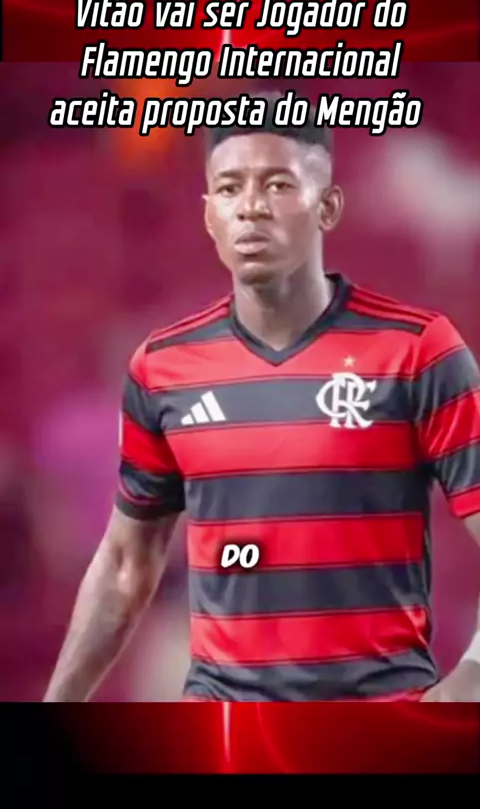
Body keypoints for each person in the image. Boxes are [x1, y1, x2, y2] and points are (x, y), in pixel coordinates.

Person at [44, 91, 480, 702]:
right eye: (229, 188)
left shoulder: (418, 350)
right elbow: (125, 564)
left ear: (327, 206)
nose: (251, 206)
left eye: (277, 185)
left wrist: (472, 676)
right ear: (208, 215)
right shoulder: (162, 367)